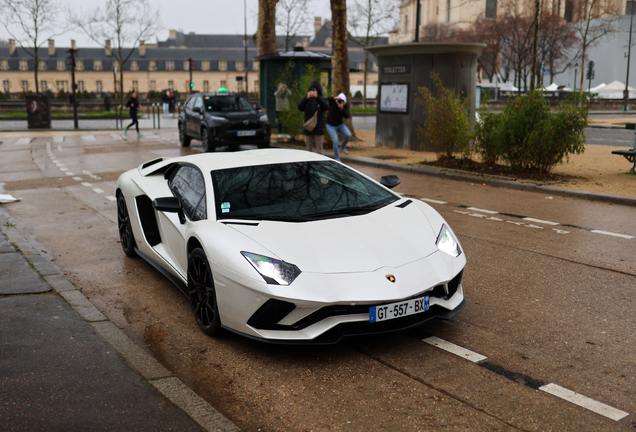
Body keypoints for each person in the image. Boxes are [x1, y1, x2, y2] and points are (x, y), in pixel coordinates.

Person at [297, 80, 328, 154]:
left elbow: (326, 107)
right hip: (308, 128)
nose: (313, 91)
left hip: (319, 129)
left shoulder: (322, 99)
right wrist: (306, 97)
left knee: (319, 151)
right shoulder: (307, 100)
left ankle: (319, 164)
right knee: (308, 151)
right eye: (312, 89)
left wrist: (317, 97)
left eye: (315, 89)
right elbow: (299, 107)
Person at [325, 92, 352, 161]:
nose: (340, 103)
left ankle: (342, 148)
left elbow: (347, 116)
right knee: (335, 140)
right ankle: (337, 158)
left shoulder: (345, 106)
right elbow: (324, 100)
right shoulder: (333, 102)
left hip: (339, 125)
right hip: (330, 125)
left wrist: (342, 108)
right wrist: (334, 98)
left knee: (348, 135)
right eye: (340, 101)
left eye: (342, 101)